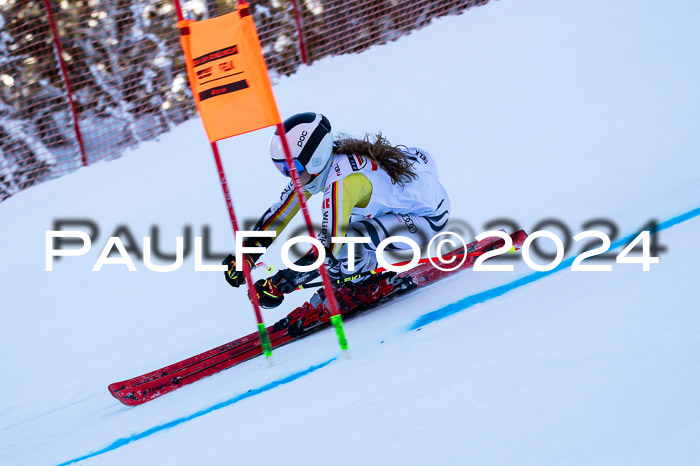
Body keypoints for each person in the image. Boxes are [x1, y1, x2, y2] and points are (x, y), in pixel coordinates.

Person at [223, 112, 451, 335]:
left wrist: (282, 283)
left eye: (292, 168)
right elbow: (281, 213)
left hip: (426, 221)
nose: (290, 176)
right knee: (344, 233)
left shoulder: (342, 182)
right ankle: (358, 276)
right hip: (406, 206)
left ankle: (360, 286)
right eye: (282, 169)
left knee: (344, 241)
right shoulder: (320, 168)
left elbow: (330, 246)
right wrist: (247, 254)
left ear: (316, 160)